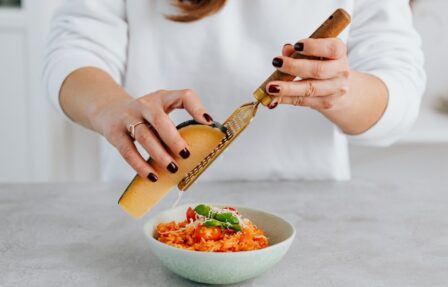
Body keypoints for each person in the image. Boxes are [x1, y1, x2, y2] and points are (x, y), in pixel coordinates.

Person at [42, 0, 425, 182]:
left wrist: (338, 92)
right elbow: (75, 49)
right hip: (149, 208)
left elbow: (400, 91)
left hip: (305, 215)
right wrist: (111, 107)